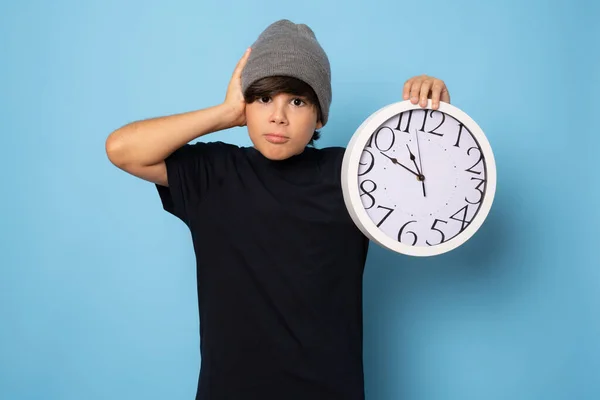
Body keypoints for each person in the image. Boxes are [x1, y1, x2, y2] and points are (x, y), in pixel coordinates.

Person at [105, 19, 451, 400]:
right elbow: (122, 149)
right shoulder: (214, 173)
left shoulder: (353, 172)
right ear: (247, 104)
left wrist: (434, 120)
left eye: (297, 101)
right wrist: (223, 114)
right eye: (264, 98)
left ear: (320, 115)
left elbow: (432, 194)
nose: (278, 116)